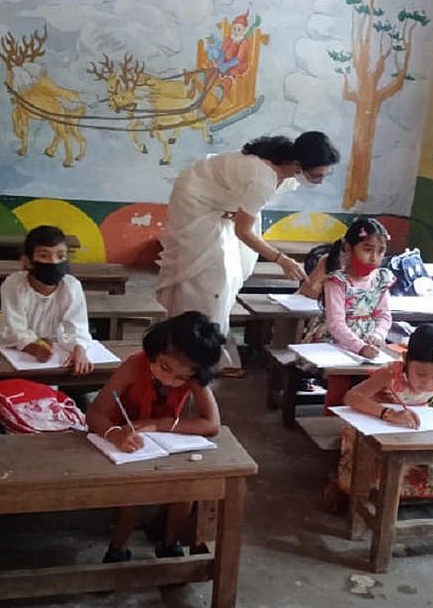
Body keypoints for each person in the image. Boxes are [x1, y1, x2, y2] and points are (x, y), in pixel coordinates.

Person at [156, 132, 340, 361]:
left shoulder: (284, 171)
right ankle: (192, 350)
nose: (320, 181)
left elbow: (243, 207)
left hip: (218, 199)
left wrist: (231, 208)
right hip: (194, 198)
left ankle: (213, 347)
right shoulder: (263, 179)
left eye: (324, 175)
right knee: (210, 275)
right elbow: (242, 231)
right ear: (298, 164)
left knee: (234, 272)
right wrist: (282, 260)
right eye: (316, 175)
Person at [86, 312, 224, 561]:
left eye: (181, 377)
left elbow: (212, 424)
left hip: (162, 442)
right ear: (155, 350)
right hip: (124, 441)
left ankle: (170, 544)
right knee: (137, 488)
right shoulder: (134, 365)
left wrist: (159, 424)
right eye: (165, 367)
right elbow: (95, 413)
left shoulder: (194, 374)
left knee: (187, 486)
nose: (169, 379)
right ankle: (118, 547)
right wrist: (115, 434)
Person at [325, 324, 433, 507]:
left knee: (429, 487)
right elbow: (352, 397)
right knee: (356, 482)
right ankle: (347, 488)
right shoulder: (390, 373)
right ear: (405, 359)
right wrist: (389, 414)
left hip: (410, 435)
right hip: (373, 431)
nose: (427, 383)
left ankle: (385, 499)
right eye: (420, 374)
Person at [306, 218, 395, 409]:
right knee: (340, 382)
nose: (374, 257)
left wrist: (378, 335)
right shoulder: (337, 282)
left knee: (377, 384)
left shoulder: (381, 279)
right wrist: (360, 347)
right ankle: (334, 420)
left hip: (369, 344)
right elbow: (335, 324)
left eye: (380, 251)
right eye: (367, 249)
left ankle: (368, 415)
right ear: (348, 248)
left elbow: (384, 315)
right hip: (336, 341)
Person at [0, 225, 91, 374]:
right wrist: (33, 346)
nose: (54, 262)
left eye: (61, 256)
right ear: (27, 261)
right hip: (12, 353)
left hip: (54, 354)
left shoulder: (71, 286)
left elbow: (78, 327)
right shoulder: (14, 284)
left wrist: (79, 349)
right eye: (44, 256)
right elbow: (11, 330)